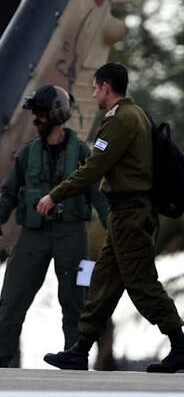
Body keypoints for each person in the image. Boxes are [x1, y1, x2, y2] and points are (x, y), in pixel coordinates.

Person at [40, 63, 184, 373]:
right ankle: (79, 350)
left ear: (107, 87)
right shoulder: (137, 115)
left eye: (94, 88)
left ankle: (180, 344)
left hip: (131, 214)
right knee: (104, 282)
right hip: (126, 215)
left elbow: (93, 168)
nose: (93, 94)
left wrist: (55, 195)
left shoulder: (121, 120)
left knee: (142, 283)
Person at [0, 84, 109, 368]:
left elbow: (99, 195)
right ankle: (2, 357)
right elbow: (7, 193)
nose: (35, 118)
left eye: (40, 112)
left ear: (56, 112)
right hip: (33, 236)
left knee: (76, 299)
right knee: (13, 296)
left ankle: (75, 356)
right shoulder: (27, 155)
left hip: (72, 234)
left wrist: (113, 230)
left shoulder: (81, 153)